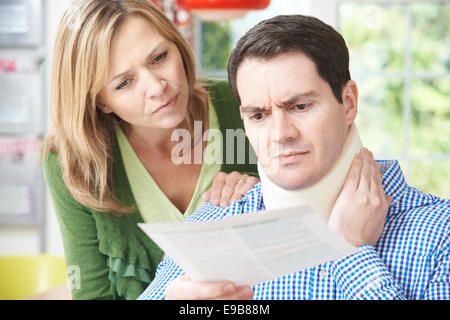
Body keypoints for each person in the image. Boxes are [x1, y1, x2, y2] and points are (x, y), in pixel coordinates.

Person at [138, 14, 450, 300]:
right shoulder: (208, 231)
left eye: (300, 107)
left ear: (349, 103)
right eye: (259, 115)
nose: (281, 134)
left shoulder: (441, 234)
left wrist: (352, 253)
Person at [42, 0, 259, 300]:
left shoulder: (240, 106)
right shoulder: (74, 164)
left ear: (178, 45)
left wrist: (269, 197)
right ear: (100, 101)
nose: (157, 87)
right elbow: (93, 295)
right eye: (124, 83)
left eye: (159, 57)